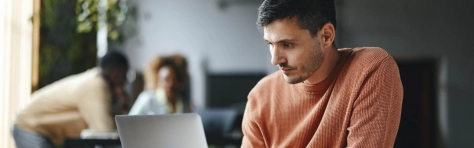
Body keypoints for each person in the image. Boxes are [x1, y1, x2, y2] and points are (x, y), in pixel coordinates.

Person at [241, 0, 404, 147]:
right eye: (270, 44)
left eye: (288, 44)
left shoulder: (369, 69)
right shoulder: (261, 95)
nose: (275, 60)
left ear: (326, 35)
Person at [12, 51, 130, 148]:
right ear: (115, 73)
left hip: (36, 128)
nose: (125, 81)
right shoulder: (96, 86)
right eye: (124, 75)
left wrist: (120, 105)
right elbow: (105, 132)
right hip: (29, 126)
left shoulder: (95, 81)